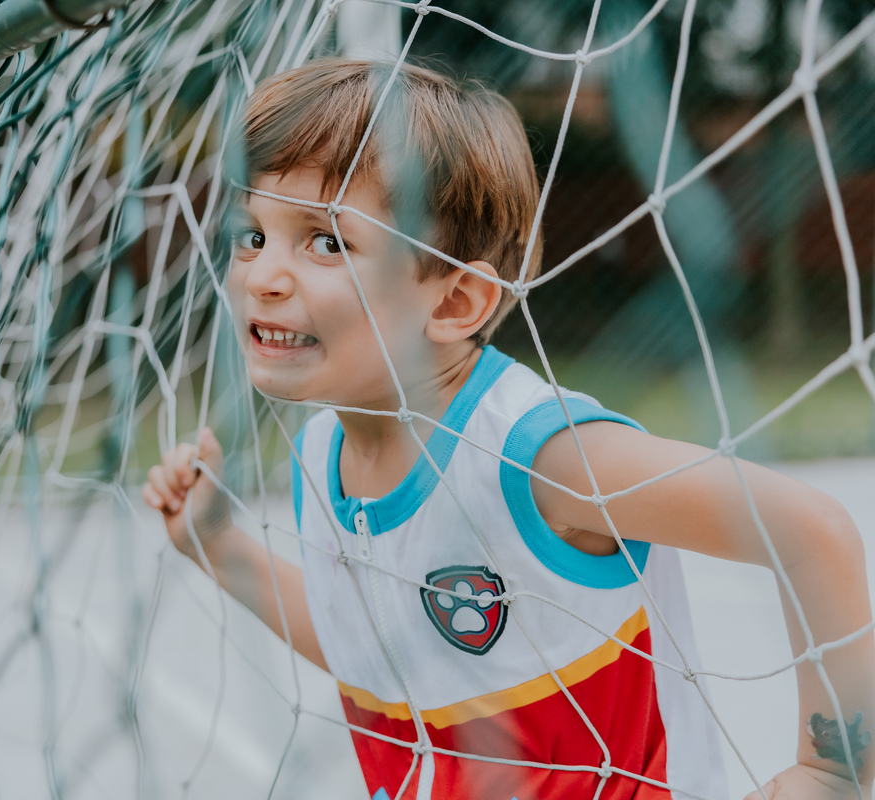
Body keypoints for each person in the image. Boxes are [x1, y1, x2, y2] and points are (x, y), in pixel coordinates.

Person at [141, 58, 873, 800]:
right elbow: (374, 656)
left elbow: (810, 530)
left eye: (326, 241)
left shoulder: (542, 456)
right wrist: (221, 546)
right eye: (251, 234)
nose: (262, 275)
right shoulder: (319, 456)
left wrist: (834, 770)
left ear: (456, 303)